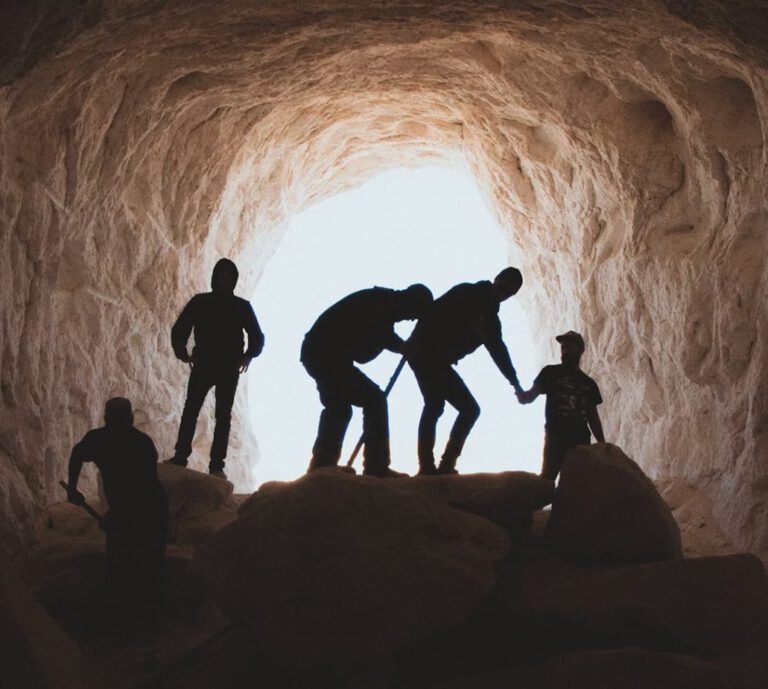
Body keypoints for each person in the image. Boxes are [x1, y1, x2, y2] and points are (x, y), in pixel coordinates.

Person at [301, 284, 433, 477]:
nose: (412, 318)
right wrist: (403, 346)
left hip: (324, 354)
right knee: (370, 401)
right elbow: (370, 348)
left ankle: (324, 464)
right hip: (325, 354)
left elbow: (379, 338)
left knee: (341, 406)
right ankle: (373, 466)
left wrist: (401, 346)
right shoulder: (381, 305)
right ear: (410, 302)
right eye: (415, 312)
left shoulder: (383, 302)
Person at [407, 267, 525, 476]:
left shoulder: (490, 321)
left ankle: (439, 466)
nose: (504, 293)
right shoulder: (466, 293)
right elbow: (432, 314)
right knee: (444, 406)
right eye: (503, 287)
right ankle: (433, 466)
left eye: (509, 292)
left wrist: (514, 383)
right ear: (495, 279)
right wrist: (414, 341)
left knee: (454, 407)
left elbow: (499, 352)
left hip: (436, 359)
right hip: (426, 353)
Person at [167, 258, 264, 480]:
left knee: (220, 416)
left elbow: (257, 337)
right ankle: (183, 457)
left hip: (224, 367)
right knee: (194, 411)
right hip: (207, 364)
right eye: (220, 276)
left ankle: (215, 465)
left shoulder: (237, 306)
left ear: (234, 280)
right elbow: (180, 329)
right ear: (214, 278)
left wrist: (249, 355)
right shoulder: (208, 303)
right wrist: (182, 352)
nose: (224, 280)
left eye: (228, 276)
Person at [67, 397, 168, 598]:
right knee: (139, 565)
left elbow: (141, 491)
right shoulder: (142, 443)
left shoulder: (100, 439)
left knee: (132, 562)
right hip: (150, 510)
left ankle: (129, 607)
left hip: (147, 512)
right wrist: (72, 489)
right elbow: (77, 454)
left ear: (106, 417)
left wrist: (72, 489)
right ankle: (136, 609)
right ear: (131, 418)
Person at [518, 331, 605, 481]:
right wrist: (523, 396)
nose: (564, 352)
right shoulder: (549, 372)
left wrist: (602, 444)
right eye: (563, 348)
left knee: (578, 483)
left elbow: (593, 417)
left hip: (580, 441)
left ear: (580, 350)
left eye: (569, 347)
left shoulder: (589, 384)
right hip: (555, 438)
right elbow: (531, 396)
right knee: (547, 479)